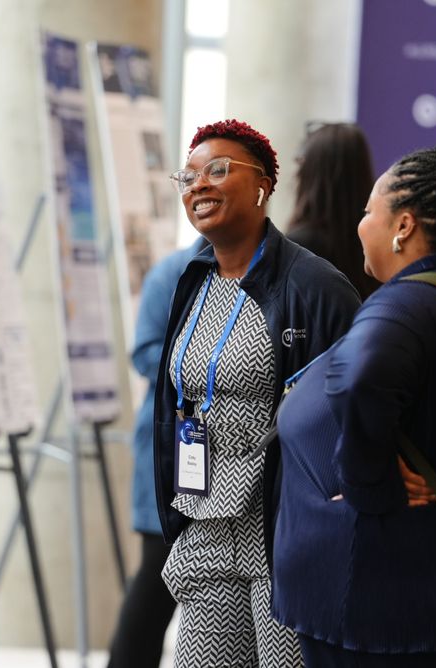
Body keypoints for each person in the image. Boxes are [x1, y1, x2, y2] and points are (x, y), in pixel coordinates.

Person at [269, 113, 436, 667]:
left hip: (381, 599)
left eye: (369, 211)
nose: (361, 223)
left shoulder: (405, 306)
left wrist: (371, 486)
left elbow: (360, 383)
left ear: (403, 226)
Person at [153, 119, 361, 667]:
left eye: (218, 170)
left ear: (264, 185)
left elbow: (356, 405)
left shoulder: (316, 287)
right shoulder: (193, 282)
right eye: (189, 176)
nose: (199, 185)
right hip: (207, 523)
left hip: (285, 531)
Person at [105, 238, 206, 668]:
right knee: (155, 581)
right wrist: (205, 368)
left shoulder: (271, 271)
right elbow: (144, 351)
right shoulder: (171, 273)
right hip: (172, 449)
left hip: (229, 467)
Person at [285, 122, 381, 299]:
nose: (295, 174)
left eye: (301, 162)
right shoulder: (378, 240)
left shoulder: (298, 246)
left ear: (311, 172)